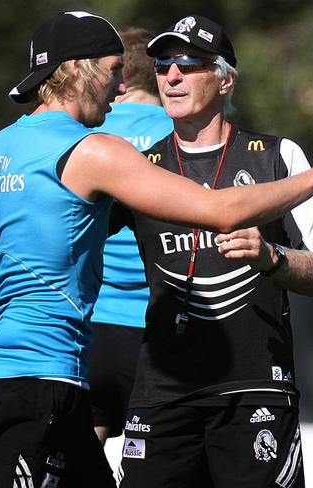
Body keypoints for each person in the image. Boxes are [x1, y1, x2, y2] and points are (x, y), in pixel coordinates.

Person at [0, 10, 313, 488]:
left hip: (10, 375)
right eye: (113, 71)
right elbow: (221, 211)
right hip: (51, 381)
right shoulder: (95, 153)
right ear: (80, 71)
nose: (125, 87)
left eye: (187, 64)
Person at [118, 15, 313, 488]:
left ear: (224, 79)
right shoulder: (140, 168)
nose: (171, 76)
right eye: (161, 66)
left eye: (189, 63)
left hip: (255, 389)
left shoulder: (278, 157)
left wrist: (272, 258)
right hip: (163, 392)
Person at [88, 26, 173, 447]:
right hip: (154, 330)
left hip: (92, 326)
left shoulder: (89, 133)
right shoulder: (181, 134)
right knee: (157, 465)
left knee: (74, 460)